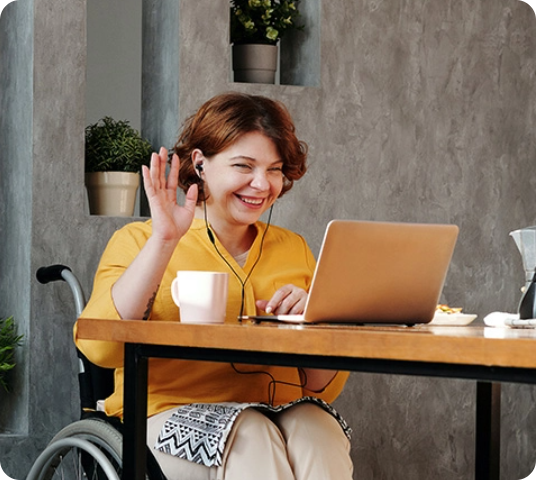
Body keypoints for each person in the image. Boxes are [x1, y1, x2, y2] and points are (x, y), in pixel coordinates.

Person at [74, 92, 354, 480]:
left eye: (274, 169)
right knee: (251, 434)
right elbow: (100, 348)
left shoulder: (294, 249)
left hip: (280, 411)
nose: (262, 184)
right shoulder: (139, 241)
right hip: (165, 414)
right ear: (201, 163)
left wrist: (314, 323)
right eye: (244, 166)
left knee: (318, 430)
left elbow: (321, 387)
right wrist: (164, 241)